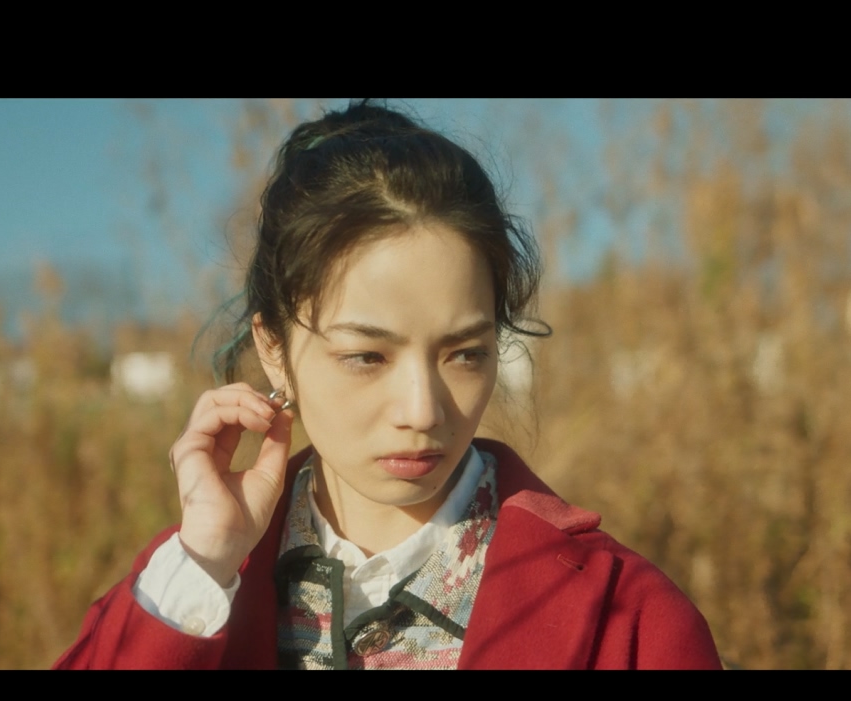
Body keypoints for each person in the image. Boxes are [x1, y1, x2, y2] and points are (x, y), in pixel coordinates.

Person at [53, 101, 721, 670]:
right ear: (274, 350)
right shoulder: (185, 590)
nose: (422, 411)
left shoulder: (631, 622)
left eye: (464, 354)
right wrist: (204, 563)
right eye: (367, 356)